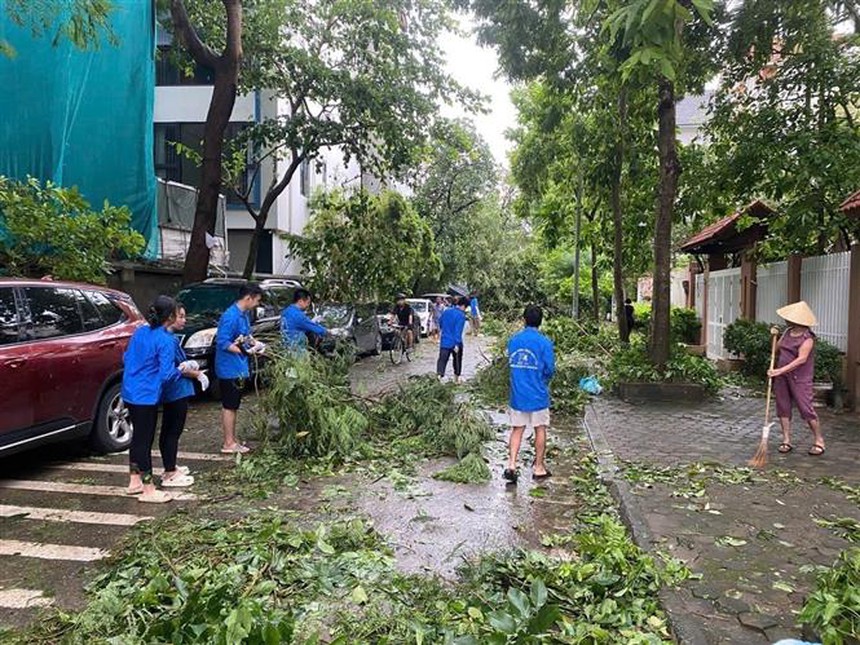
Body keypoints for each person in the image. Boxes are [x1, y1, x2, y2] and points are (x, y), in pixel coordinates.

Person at [122, 296, 202, 503]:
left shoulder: (140, 332)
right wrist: (184, 369)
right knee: (144, 440)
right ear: (169, 317)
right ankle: (148, 488)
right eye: (177, 314)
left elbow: (126, 358)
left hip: (130, 390)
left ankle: (135, 481)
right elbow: (167, 374)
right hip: (146, 395)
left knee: (137, 437)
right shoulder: (165, 339)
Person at [504, 304, 556, 484]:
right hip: (538, 394)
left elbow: (510, 363)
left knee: (517, 429)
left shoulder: (513, 340)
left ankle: (511, 465)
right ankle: (539, 467)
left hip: (518, 395)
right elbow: (550, 370)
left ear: (524, 320)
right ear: (540, 322)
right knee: (540, 428)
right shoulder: (545, 342)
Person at [767, 301, 825, 456]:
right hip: (782, 377)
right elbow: (778, 348)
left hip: (800, 378)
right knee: (783, 406)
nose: (787, 320)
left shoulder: (808, 338)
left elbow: (801, 359)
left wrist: (779, 370)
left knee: (806, 408)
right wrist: (774, 337)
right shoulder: (787, 332)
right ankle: (786, 440)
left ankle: (819, 440)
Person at [159, 303, 208, 488]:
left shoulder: (168, 337)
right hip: (176, 390)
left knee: (168, 430)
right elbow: (176, 368)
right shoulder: (168, 341)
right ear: (170, 317)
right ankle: (170, 471)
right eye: (181, 316)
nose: (184, 320)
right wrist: (195, 372)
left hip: (174, 390)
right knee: (172, 431)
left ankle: (170, 466)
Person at [215, 283, 264, 455]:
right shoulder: (231, 316)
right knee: (229, 405)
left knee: (234, 405)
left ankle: (232, 439)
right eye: (257, 300)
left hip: (239, 367)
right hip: (229, 368)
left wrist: (256, 345)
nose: (258, 304)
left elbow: (245, 336)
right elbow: (222, 342)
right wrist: (244, 351)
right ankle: (228, 442)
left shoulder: (243, 315)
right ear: (248, 298)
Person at [281, 288, 328, 352]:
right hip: (296, 349)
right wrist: (330, 332)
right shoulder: (298, 315)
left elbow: (300, 324)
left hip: (285, 347)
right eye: (307, 303)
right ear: (300, 301)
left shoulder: (286, 311)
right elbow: (317, 329)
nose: (308, 305)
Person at [436, 296, 468, 383]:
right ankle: (456, 379)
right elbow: (458, 331)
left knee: (442, 360)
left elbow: (440, 323)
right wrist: (457, 344)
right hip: (455, 342)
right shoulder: (461, 315)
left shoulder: (446, 311)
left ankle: (439, 377)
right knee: (457, 361)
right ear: (464, 306)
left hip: (445, 341)